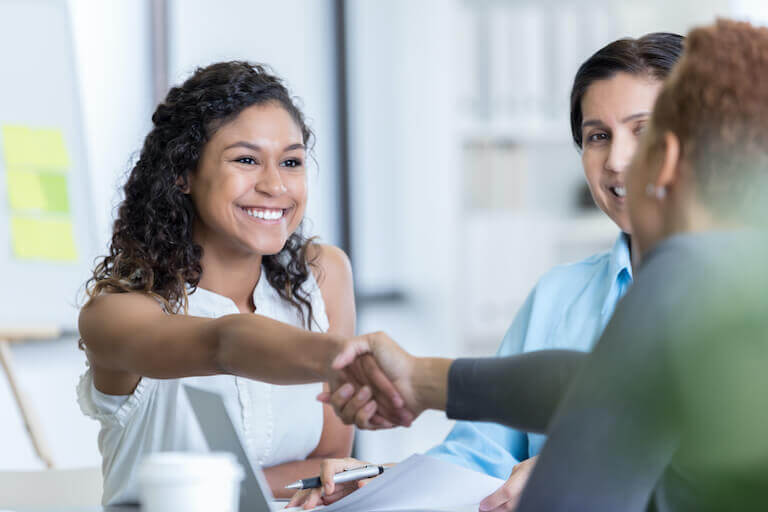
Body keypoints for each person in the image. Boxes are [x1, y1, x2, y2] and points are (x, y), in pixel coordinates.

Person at [321, 18, 768, 511]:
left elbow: (612, 397)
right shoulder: (560, 295)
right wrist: (382, 476)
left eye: (645, 131)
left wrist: (425, 382)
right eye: (598, 136)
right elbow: (480, 456)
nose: (618, 160)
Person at [76, 61, 401, 505]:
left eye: (291, 162)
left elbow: (325, 461)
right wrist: (348, 359)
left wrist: (333, 476)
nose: (274, 185)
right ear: (182, 173)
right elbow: (225, 342)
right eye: (246, 160)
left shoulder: (321, 276)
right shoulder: (116, 315)